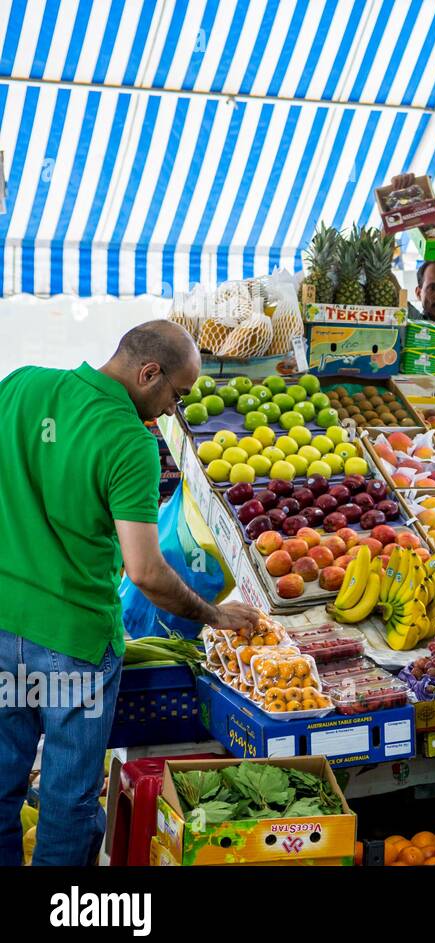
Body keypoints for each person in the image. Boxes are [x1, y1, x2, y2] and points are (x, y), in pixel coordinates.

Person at [0, 321, 262, 866]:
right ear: (148, 373)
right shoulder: (128, 441)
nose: (172, 410)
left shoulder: (21, 385)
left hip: (4, 626)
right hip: (73, 644)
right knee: (67, 800)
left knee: (2, 784)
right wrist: (212, 614)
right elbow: (144, 571)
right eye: (176, 394)